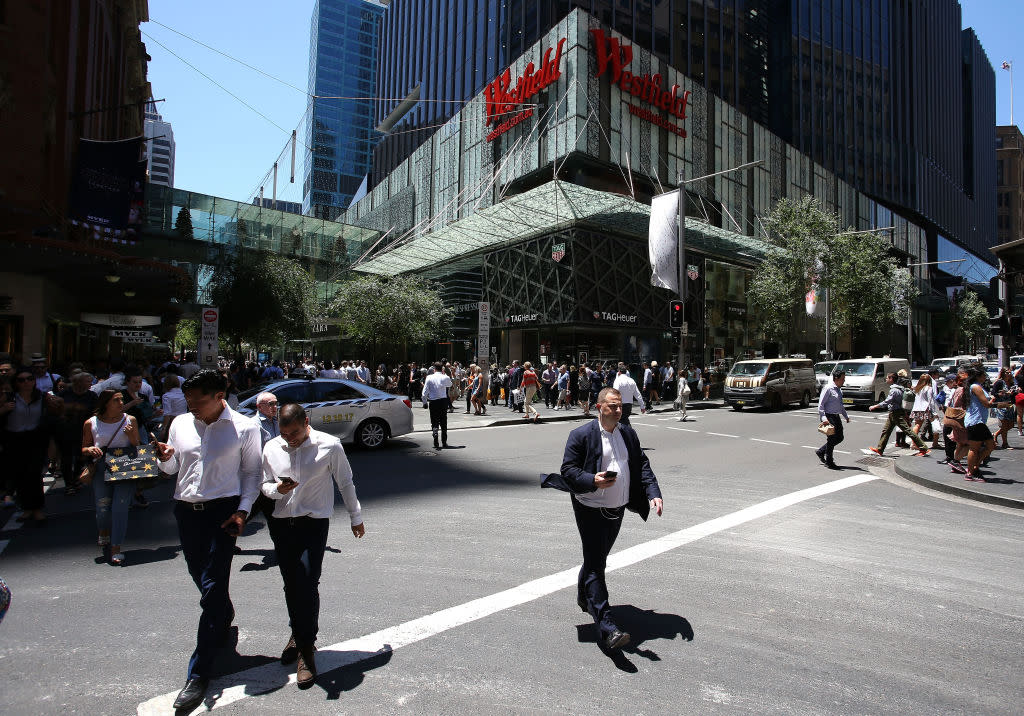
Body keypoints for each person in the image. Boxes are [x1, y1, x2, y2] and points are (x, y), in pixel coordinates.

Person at [154, 370, 262, 712]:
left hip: (224, 513)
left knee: (212, 585)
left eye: (199, 400)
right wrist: (164, 457)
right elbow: (171, 471)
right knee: (201, 578)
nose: (192, 406)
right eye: (189, 400)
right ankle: (224, 612)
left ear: (220, 395)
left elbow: (252, 473)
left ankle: (198, 673)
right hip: (186, 512)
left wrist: (243, 511)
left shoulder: (244, 427)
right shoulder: (180, 424)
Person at [541, 387, 663, 651]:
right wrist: (592, 480)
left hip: (616, 508)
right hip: (589, 507)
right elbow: (568, 469)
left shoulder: (627, 433)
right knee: (597, 565)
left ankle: (585, 596)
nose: (618, 411)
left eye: (620, 406)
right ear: (599, 408)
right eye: (613, 406)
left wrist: (653, 493)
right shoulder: (581, 435)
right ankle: (608, 628)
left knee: (596, 559)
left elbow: (641, 464)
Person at [260, 403, 364, 687]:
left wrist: (356, 517)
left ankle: (307, 649)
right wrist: (276, 490)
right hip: (282, 524)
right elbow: (264, 484)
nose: (290, 439)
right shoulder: (271, 448)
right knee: (291, 584)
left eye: (295, 433)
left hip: (312, 524)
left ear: (306, 421)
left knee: (307, 582)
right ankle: (298, 632)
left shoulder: (329, 446)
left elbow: (346, 482)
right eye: (285, 434)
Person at [79, 389, 141, 564]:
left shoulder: (130, 420)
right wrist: (89, 450)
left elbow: (138, 446)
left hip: (125, 468)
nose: (121, 403)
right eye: (116, 400)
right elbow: (84, 448)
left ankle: (116, 547)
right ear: (106, 403)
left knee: (120, 508)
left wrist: (131, 436)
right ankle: (103, 530)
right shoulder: (91, 423)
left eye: (122, 399)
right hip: (101, 468)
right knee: (103, 508)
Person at [1, 367, 63, 523]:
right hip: (14, 439)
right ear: (16, 383)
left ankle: (37, 509)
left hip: (35, 439)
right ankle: (26, 508)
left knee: (34, 474)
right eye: (21, 380)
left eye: (29, 379)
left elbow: (58, 411)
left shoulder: (42, 397)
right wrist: (3, 409)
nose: (26, 382)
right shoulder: (9, 397)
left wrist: (57, 403)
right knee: (19, 475)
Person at [963, 367, 1011, 481]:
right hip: (975, 420)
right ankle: (971, 472)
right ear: (978, 376)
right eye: (984, 375)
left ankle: (974, 467)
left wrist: (995, 398)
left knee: (991, 445)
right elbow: (986, 404)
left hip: (979, 421)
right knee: (974, 448)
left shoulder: (978, 387)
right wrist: (1002, 404)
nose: (986, 377)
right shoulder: (975, 387)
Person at [867, 373, 929, 456]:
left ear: (891, 379)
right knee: (886, 431)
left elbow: (887, 401)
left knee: (908, 430)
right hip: (894, 412)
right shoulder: (900, 388)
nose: (886, 379)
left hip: (896, 413)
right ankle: (880, 449)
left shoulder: (894, 390)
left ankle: (923, 448)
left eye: (887, 378)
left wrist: (875, 406)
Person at [56, 372, 97, 496]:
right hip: (66, 431)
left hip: (84, 431)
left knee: (81, 457)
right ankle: (68, 483)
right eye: (88, 381)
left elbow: (96, 412)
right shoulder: (64, 394)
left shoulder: (92, 396)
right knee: (66, 458)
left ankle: (76, 478)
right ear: (78, 382)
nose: (91, 384)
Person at [815, 369, 850, 469]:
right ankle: (829, 461)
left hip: (836, 416)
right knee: (832, 438)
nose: (844, 381)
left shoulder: (838, 389)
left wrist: (846, 416)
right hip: (829, 416)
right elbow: (821, 405)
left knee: (840, 437)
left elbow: (840, 405)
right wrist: (824, 418)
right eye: (842, 379)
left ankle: (821, 451)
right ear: (836, 378)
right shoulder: (828, 388)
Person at [423, 362, 453, 449]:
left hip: (433, 401)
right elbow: (450, 384)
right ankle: (444, 442)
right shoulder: (445, 377)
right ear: (442, 369)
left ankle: (435, 432)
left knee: (434, 420)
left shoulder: (429, 377)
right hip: (443, 401)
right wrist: (444, 375)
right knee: (443, 421)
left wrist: (425, 402)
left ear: (434, 369)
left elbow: (424, 392)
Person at [909, 373, 938, 450]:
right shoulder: (929, 388)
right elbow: (930, 401)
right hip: (925, 409)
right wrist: (934, 412)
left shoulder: (917, 388)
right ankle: (935, 443)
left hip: (916, 408)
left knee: (917, 425)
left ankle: (913, 443)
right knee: (935, 423)